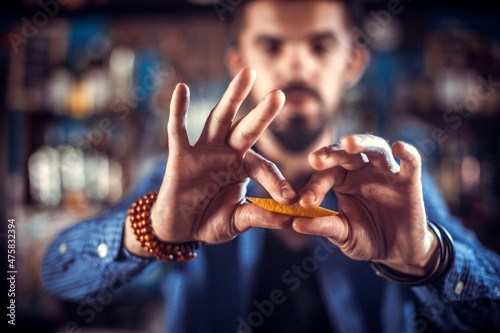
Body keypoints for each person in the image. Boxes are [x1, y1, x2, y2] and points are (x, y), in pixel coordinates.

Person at [42, 1, 500, 332]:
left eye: (320, 47)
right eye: (272, 45)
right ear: (239, 62)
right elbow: (57, 275)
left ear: (353, 63)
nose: (296, 63)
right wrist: (150, 232)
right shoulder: (184, 183)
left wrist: (429, 259)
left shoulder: (395, 186)